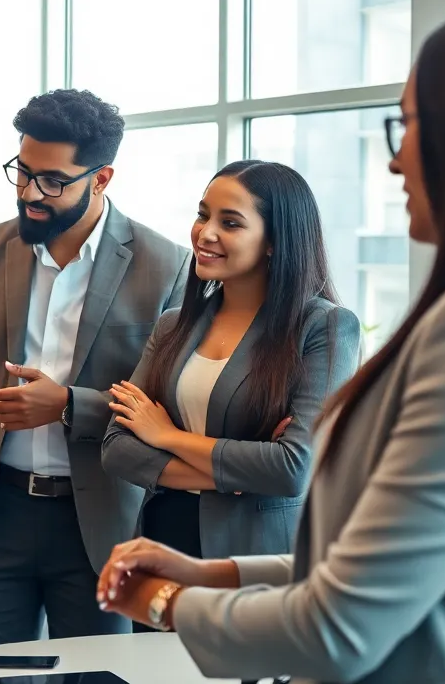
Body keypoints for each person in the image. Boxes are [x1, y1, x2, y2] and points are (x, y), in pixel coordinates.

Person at [96, 0, 445, 684]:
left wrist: (166, 601)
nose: (395, 159)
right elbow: (388, 564)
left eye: (410, 125)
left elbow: (332, 603)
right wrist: (217, 572)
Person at [0, 88, 189, 648]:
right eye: (23, 172)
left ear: (101, 179)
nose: (29, 192)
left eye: (52, 180)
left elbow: (168, 407)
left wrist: (69, 405)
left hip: (101, 519)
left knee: (98, 675)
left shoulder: (167, 264)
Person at [100, 160, 360, 631]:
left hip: (256, 554)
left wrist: (166, 436)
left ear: (275, 240)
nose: (206, 233)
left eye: (231, 222)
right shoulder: (174, 325)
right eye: (203, 215)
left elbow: (292, 468)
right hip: (165, 540)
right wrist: (232, 473)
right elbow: (116, 448)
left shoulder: (323, 327)